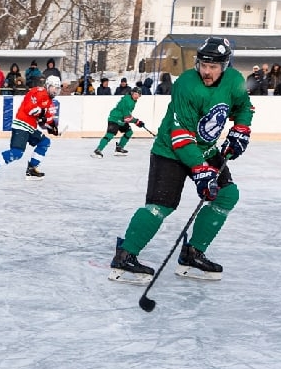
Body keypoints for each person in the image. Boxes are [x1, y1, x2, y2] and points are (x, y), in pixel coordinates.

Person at [109, 36, 253, 284]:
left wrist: (241, 129)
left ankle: (192, 253)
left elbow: (243, 106)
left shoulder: (235, 81)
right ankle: (125, 256)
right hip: (171, 151)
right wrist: (201, 172)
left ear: (225, 65)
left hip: (206, 148)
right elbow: (180, 136)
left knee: (227, 195)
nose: (206, 71)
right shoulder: (187, 84)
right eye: (203, 65)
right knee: (161, 206)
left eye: (213, 67)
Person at [0, 75, 60, 181]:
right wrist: (42, 115)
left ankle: (31, 169)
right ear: (47, 86)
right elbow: (29, 109)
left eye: (57, 88)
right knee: (17, 153)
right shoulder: (38, 92)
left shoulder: (49, 102)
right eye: (53, 87)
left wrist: (52, 127)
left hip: (30, 128)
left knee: (45, 142)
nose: (55, 91)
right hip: (21, 125)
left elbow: (45, 119)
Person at [94, 88, 146, 157]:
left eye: (138, 95)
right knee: (110, 134)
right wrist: (137, 122)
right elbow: (127, 117)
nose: (137, 96)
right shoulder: (127, 101)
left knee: (129, 132)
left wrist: (137, 122)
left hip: (121, 120)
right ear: (132, 93)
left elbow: (127, 116)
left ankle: (119, 148)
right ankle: (98, 150)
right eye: (135, 94)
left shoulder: (132, 101)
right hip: (115, 118)